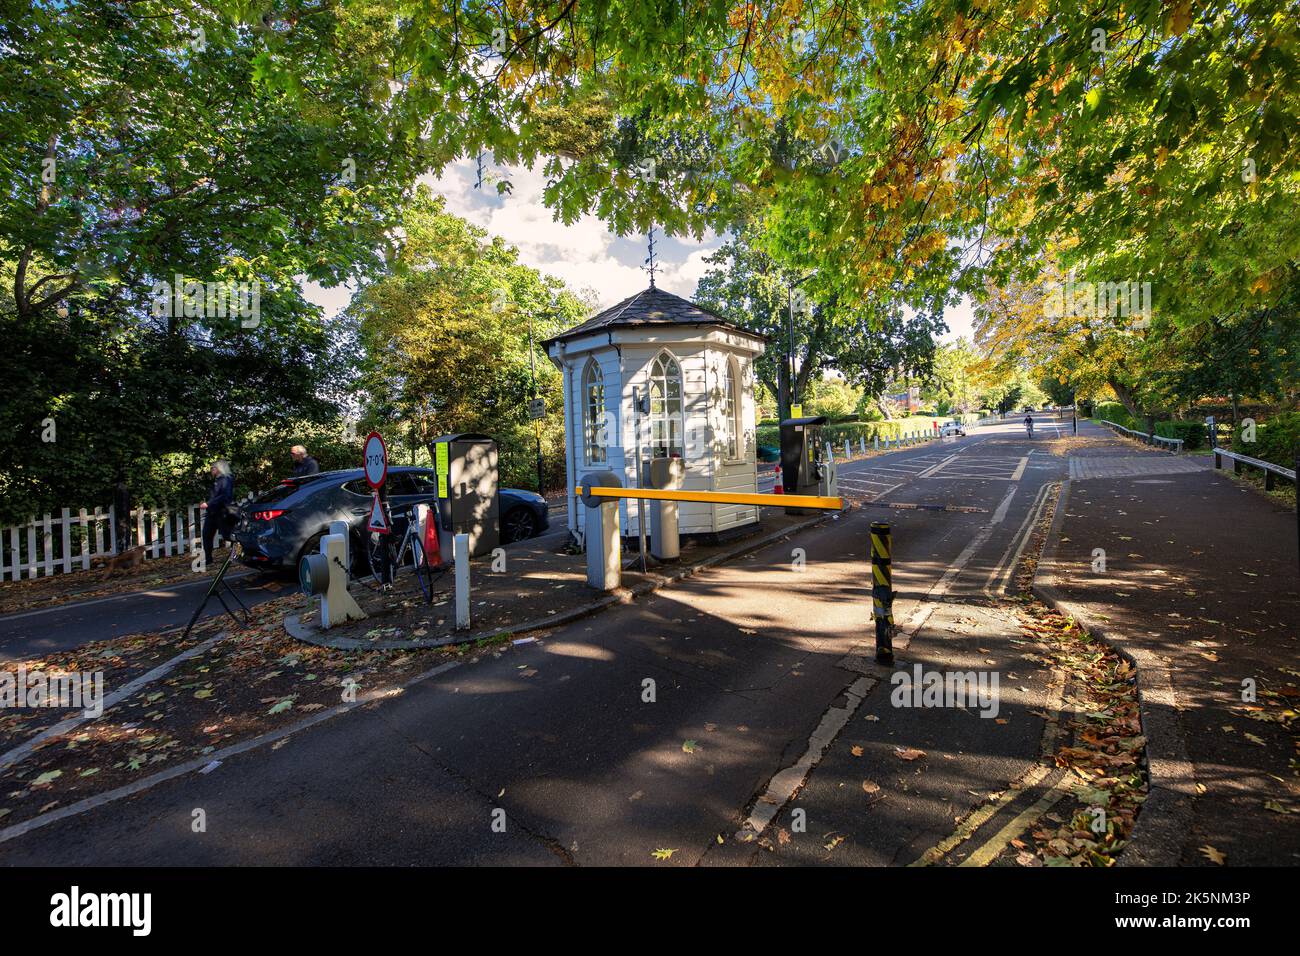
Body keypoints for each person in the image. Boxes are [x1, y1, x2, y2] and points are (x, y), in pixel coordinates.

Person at [200, 460, 235, 565]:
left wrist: (209, 503)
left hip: (222, 513)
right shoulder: (218, 480)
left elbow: (225, 496)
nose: (211, 470)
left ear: (219, 468)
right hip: (212, 513)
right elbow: (216, 496)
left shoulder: (226, 479)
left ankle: (237, 555)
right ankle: (208, 560)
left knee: (228, 536)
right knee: (206, 535)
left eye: (213, 468)